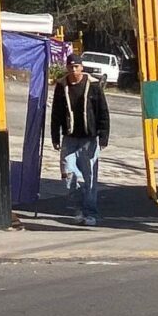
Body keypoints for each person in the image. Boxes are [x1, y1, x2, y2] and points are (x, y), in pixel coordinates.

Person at [51, 54, 110, 226]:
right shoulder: (62, 86)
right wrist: (55, 136)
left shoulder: (93, 86)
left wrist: (104, 135)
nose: (73, 70)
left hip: (89, 139)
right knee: (68, 173)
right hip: (69, 138)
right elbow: (56, 113)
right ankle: (77, 208)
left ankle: (90, 212)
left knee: (90, 176)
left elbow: (103, 112)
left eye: (76, 66)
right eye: (70, 67)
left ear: (82, 67)